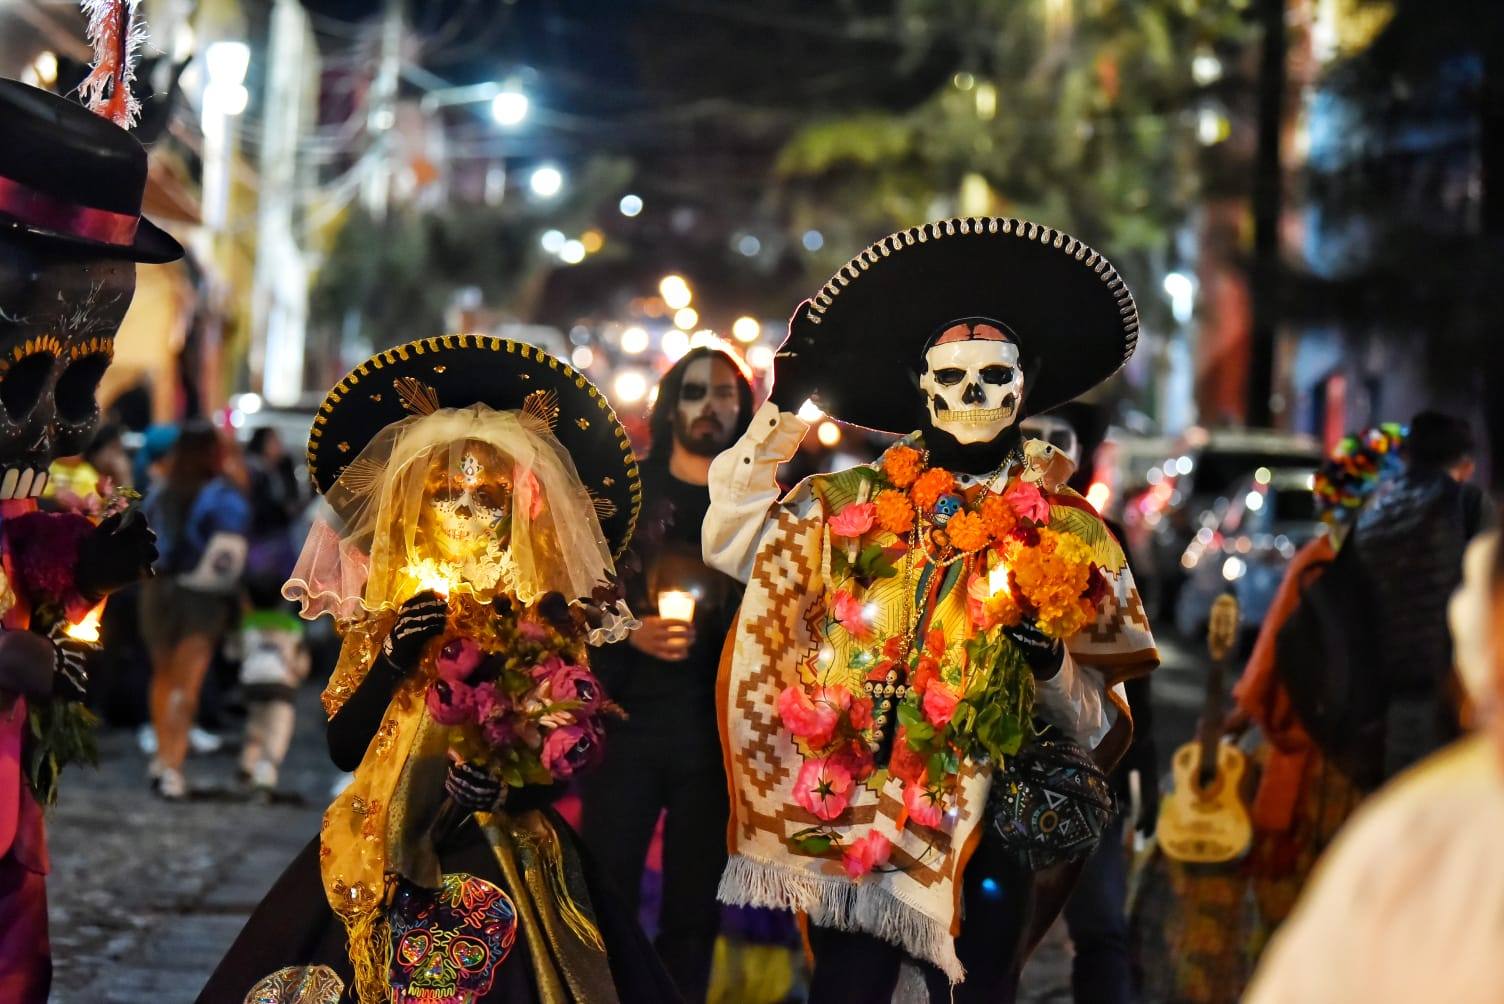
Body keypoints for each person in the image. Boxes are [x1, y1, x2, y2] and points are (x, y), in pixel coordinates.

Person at [706, 218, 1158, 1002]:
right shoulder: (849, 506)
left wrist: (1049, 666)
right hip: (858, 823)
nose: (973, 395)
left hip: (990, 838)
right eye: (953, 375)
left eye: (994, 374)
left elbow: (1097, 725)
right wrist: (782, 410)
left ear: (1028, 382)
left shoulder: (1073, 534)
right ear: (920, 384)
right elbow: (732, 538)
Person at [198, 335, 679, 1004]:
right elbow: (343, 747)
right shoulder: (388, 611)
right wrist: (395, 657)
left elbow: (568, 751)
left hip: (501, 849)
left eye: (488, 497)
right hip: (377, 841)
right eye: (448, 493)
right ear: (417, 504)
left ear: (522, 505)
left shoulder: (545, 618)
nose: (466, 512)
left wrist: (510, 786)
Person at [0, 48, 180, 998]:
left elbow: (20, 578)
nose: (60, 426)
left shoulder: (20, 494)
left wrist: (85, 577)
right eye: (26, 368)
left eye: (82, 380)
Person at [1243, 522, 1502, 1003]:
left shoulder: (1417, 838)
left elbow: (1262, 678)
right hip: (1369, 761)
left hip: (1324, 771)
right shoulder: (1418, 837)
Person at [577, 346, 753, 1001]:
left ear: (743, 407)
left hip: (713, 739)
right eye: (695, 392)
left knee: (694, 907)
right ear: (671, 403)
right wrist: (631, 631)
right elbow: (577, 597)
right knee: (606, 892)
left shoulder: (755, 500)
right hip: (629, 725)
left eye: (725, 394)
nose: (711, 406)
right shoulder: (627, 492)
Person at [1222, 425, 1406, 956]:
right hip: (1376, 755)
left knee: (1293, 909)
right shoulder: (1407, 562)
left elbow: (1272, 654)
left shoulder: (1320, 558)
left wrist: (1243, 713)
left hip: (1310, 753)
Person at [1351, 410, 1492, 778]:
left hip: (1376, 698)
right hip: (1449, 700)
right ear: (1464, 462)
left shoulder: (1375, 513)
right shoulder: (1467, 507)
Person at [139, 421, 250, 799]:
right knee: (188, 683)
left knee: (162, 675)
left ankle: (161, 756)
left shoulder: (160, 491)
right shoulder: (222, 494)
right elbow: (233, 542)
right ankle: (173, 764)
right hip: (201, 595)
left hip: (156, 589)